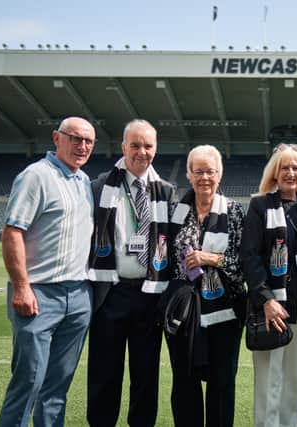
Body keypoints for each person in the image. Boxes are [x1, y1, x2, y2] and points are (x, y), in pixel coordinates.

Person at [0, 117, 96, 427]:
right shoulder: (36, 176)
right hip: (39, 294)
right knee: (29, 380)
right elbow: (13, 231)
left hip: (79, 295)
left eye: (88, 142)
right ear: (57, 138)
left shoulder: (84, 182)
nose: (82, 146)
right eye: (75, 138)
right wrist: (22, 287)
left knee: (57, 387)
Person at [87, 119, 176, 427]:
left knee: (146, 375)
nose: (141, 152)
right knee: (104, 374)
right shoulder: (99, 186)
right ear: (123, 147)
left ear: (156, 149)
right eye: (135, 145)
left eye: (148, 146)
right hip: (109, 292)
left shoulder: (166, 191)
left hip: (149, 295)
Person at [241, 143, 297, 427]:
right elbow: (250, 257)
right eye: (284, 167)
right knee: (269, 380)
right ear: (274, 173)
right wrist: (266, 299)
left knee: (294, 378)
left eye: (296, 167)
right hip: (272, 306)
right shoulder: (260, 205)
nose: (290, 172)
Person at [166, 145, 247, 426]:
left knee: (222, 382)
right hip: (184, 312)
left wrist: (211, 259)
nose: (204, 177)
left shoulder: (236, 212)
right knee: (184, 380)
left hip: (226, 310)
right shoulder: (175, 212)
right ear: (188, 174)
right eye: (198, 171)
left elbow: (244, 264)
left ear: (219, 175)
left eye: (210, 171)